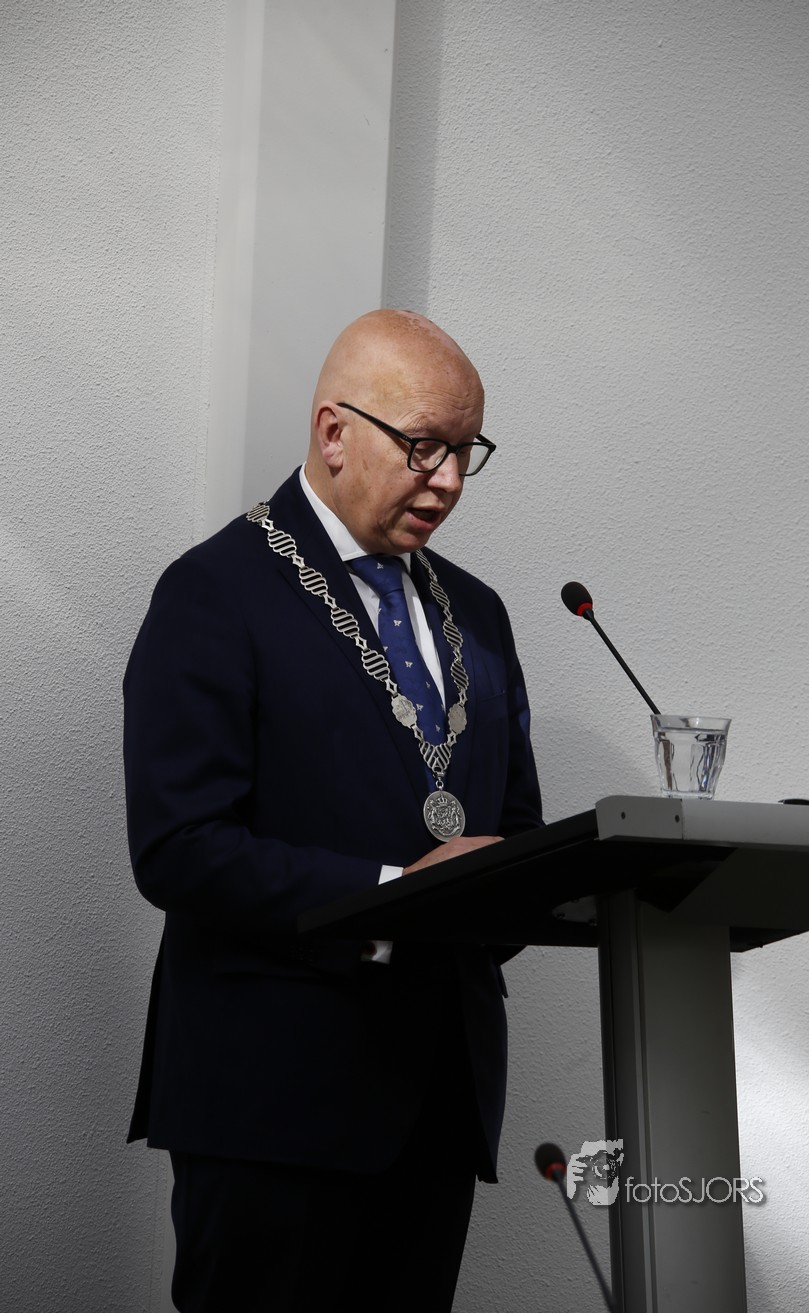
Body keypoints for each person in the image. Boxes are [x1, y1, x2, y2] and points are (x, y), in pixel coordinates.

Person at [124, 309, 543, 1312]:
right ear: (333, 431)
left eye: (465, 450)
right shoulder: (214, 591)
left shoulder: (478, 612)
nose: (448, 479)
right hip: (272, 1101)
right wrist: (397, 892)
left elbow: (517, 829)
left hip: (437, 1099)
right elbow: (179, 848)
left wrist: (510, 889)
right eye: (424, 445)